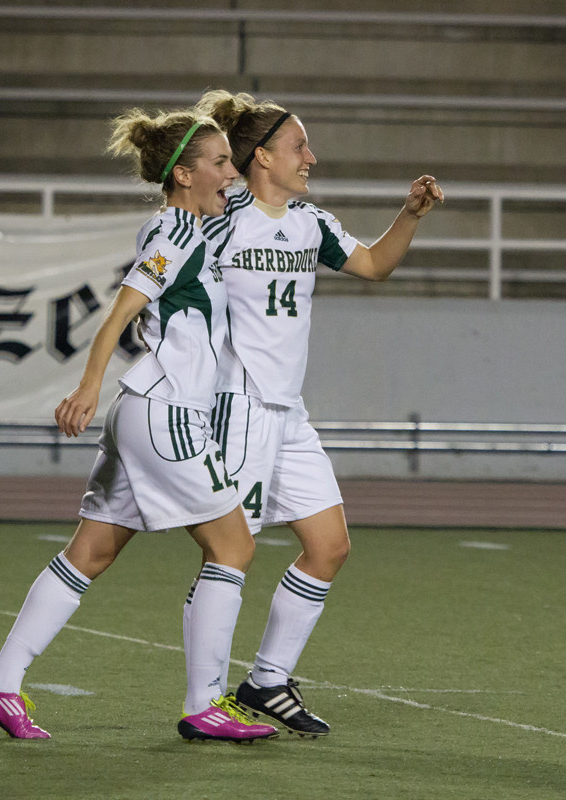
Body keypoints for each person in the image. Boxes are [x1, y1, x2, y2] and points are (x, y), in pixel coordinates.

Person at [0, 106, 278, 744]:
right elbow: (118, 315)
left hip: (144, 411)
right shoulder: (176, 235)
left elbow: (252, 201)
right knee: (234, 548)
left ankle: (1, 681)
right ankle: (206, 704)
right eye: (220, 163)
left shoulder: (194, 225)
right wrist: (87, 385)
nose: (233, 172)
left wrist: (237, 122)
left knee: (92, 552)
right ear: (184, 175)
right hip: (167, 415)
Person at [189, 89, 444, 737]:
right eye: (299, 145)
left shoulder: (312, 223)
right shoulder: (218, 215)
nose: (311, 157)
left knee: (329, 547)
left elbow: (374, 265)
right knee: (229, 556)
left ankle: (266, 681)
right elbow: (163, 273)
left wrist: (409, 215)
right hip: (236, 407)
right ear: (261, 156)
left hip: (289, 414)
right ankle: (204, 701)